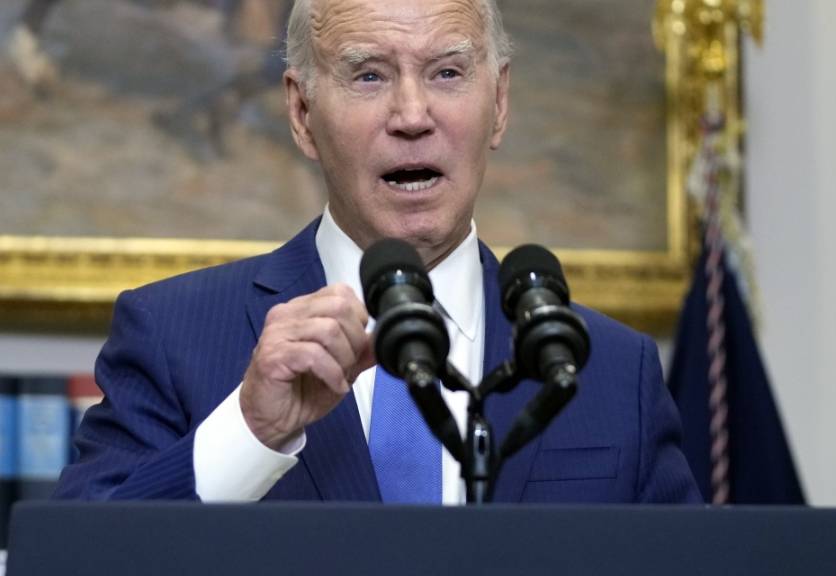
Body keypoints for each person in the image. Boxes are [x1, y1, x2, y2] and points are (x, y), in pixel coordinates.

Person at [53, 0, 702, 504]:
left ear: (498, 102)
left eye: (447, 72)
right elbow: (72, 563)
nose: (412, 114)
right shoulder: (173, 336)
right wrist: (248, 432)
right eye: (369, 75)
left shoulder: (614, 372)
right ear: (303, 114)